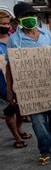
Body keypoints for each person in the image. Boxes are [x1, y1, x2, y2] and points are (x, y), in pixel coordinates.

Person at [6, 2, 51, 165]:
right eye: (25, 16)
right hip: (30, 90)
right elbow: (9, 67)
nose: (30, 19)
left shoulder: (46, 35)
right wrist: (10, 90)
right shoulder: (14, 40)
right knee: (38, 121)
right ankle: (44, 149)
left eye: (32, 15)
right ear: (18, 20)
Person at [0, 9, 30, 148]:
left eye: (7, 24)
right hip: (2, 81)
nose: (5, 26)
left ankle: (19, 128)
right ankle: (16, 136)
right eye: (2, 24)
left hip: (19, 78)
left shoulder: (14, 38)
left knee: (20, 107)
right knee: (10, 108)